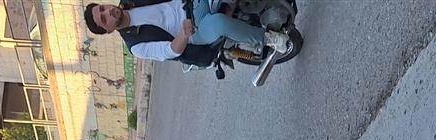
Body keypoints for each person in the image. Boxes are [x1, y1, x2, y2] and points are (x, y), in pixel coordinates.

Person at [83, 1, 290, 63]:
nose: (108, 12)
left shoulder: (130, 0)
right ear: (108, 30)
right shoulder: (136, 45)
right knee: (218, 23)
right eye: (104, 19)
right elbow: (170, 50)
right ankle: (269, 39)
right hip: (193, 31)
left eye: (102, 8)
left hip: (192, 3)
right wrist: (183, 34)